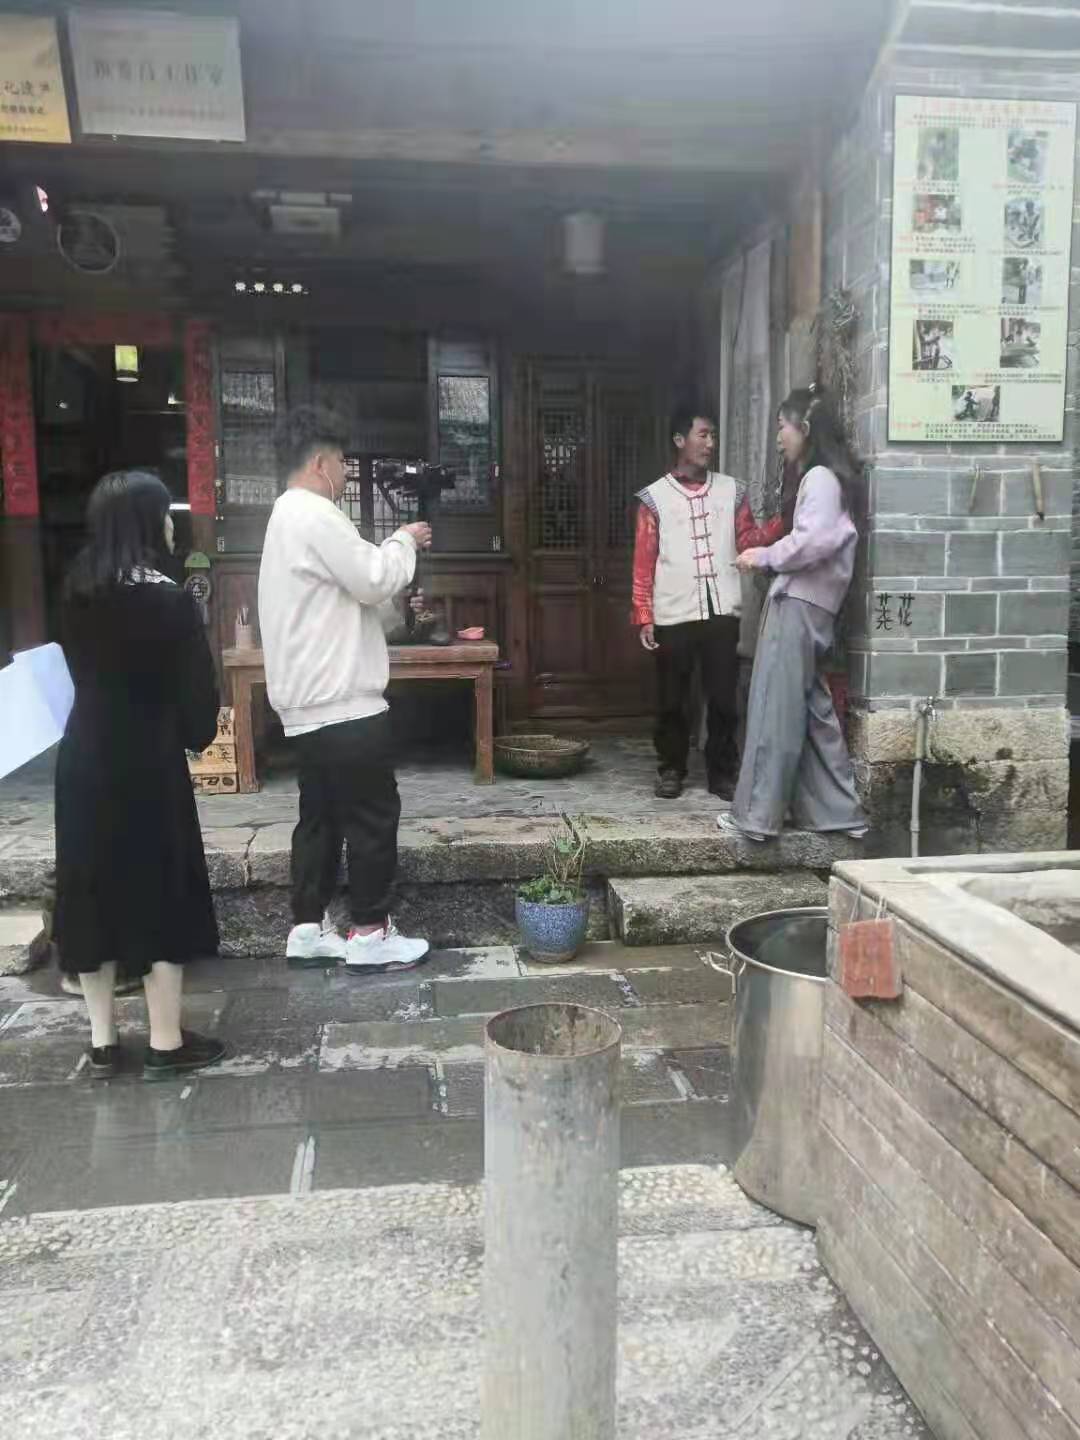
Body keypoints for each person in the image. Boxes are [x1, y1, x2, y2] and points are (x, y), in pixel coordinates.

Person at [53, 471, 226, 1079]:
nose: (173, 526)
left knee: (90, 889)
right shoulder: (170, 599)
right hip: (148, 763)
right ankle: (165, 1042)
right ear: (148, 523)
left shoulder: (74, 591)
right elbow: (198, 706)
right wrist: (191, 733)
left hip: (82, 760)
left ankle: (102, 1043)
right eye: (166, 515)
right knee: (159, 889)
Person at [258, 406, 433, 972]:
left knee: (320, 818)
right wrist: (404, 540)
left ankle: (308, 929)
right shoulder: (316, 513)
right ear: (319, 462)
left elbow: (346, 601)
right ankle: (370, 932)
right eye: (340, 463)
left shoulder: (283, 518)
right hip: (344, 703)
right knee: (371, 817)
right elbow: (373, 577)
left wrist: (395, 604)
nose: (343, 474)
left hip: (308, 704)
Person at [718, 386, 867, 843]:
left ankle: (756, 817)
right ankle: (837, 813)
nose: (779, 437)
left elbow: (811, 541)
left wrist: (762, 556)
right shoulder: (832, 478)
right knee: (812, 710)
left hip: (797, 605)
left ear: (805, 427)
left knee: (774, 709)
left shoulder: (818, 478)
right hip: (814, 607)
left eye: (782, 425)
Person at [632, 406, 742, 800]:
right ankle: (671, 768)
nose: (710, 443)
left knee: (724, 698)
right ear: (680, 440)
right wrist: (644, 614)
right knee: (671, 699)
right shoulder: (655, 498)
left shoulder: (732, 491)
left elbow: (749, 539)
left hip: (721, 609)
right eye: (703, 435)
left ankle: (722, 772)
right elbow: (643, 561)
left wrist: (786, 529)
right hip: (673, 610)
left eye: (713, 436)